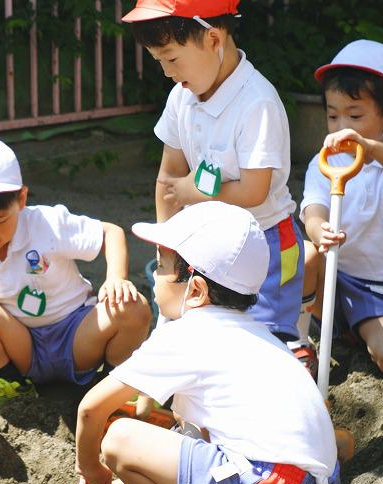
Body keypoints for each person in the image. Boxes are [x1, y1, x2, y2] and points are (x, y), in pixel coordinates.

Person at [75, 201, 342, 484]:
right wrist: (133, 480)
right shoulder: (258, 333)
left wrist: (91, 469)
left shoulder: (186, 335)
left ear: (196, 290)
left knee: (119, 438)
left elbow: (90, 409)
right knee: (170, 439)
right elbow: (201, 435)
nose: (154, 278)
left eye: (160, 267)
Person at [122, 0, 308, 362]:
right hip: (207, 247)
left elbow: (255, 190)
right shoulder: (181, 98)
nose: (166, 73)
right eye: (158, 61)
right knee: (206, 339)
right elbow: (167, 178)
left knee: (259, 344)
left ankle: (294, 358)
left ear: (212, 39)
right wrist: (167, 249)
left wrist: (196, 191)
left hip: (267, 243)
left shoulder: (257, 103)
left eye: (172, 59)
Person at [0, 137, 152, 417]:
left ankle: (115, 386)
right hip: (21, 349)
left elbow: (110, 232)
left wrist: (116, 277)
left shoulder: (47, 223)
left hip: (77, 336)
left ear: (21, 199)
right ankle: (8, 381)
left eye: (0, 221)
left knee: (134, 307)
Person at [298, 40, 383, 378]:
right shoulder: (323, 162)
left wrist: (370, 149)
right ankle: (300, 335)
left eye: (355, 115)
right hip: (330, 277)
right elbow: (313, 209)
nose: (343, 127)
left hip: (378, 289)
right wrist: (318, 229)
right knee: (308, 255)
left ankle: (355, 325)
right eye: (332, 115)